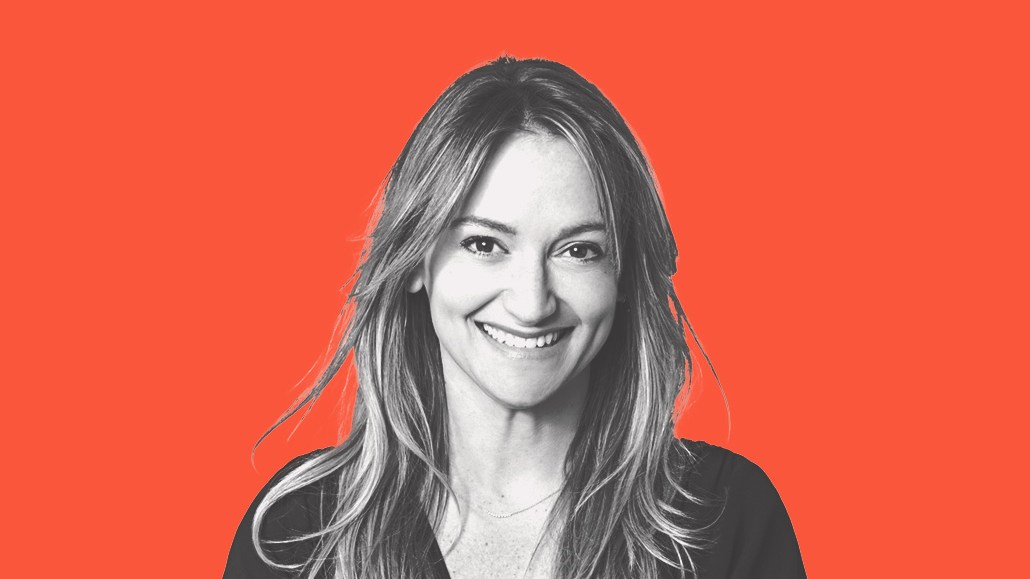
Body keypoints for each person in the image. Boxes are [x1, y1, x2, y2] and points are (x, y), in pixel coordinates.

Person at [224, 56, 805, 579]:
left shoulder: (723, 518)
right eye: (484, 244)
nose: (531, 303)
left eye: (578, 250)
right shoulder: (298, 534)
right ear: (416, 260)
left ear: (624, 277)